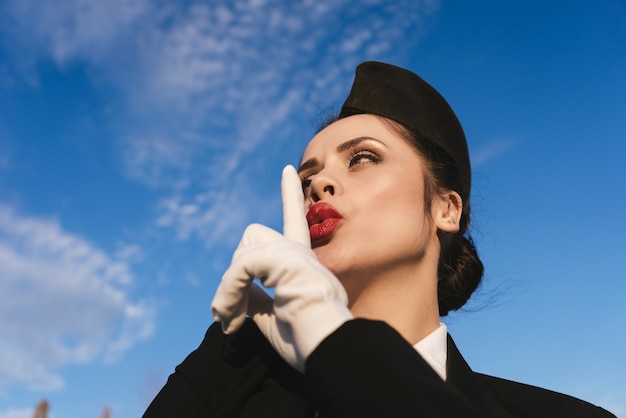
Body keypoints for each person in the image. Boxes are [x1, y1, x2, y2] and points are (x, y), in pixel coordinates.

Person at [143, 62, 615, 417]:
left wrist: (337, 345)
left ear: (446, 209)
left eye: (362, 158)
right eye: (307, 177)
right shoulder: (229, 370)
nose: (319, 185)